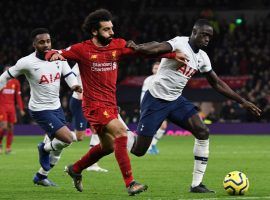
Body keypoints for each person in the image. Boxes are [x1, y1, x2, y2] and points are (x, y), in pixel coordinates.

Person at [46, 9, 187, 195]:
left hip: (110, 104)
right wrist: (52, 56)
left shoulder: (117, 45)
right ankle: (131, 183)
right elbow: (54, 53)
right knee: (121, 133)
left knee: (108, 147)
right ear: (95, 31)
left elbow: (142, 53)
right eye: (106, 29)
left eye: (112, 28)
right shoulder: (82, 49)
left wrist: (170, 56)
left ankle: (76, 169)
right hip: (94, 106)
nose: (112, 33)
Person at [128, 19, 262, 193]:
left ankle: (196, 184)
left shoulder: (202, 57)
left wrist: (242, 101)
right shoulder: (179, 43)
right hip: (155, 99)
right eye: (204, 34)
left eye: (209, 36)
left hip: (176, 100)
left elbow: (217, 83)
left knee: (202, 131)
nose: (207, 39)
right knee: (139, 151)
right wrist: (138, 47)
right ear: (194, 32)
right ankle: (119, 133)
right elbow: (157, 47)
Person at [0, 28, 82, 186]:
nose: (46, 44)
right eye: (41, 42)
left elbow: (68, 74)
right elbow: (4, 77)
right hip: (40, 109)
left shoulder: (58, 57)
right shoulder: (26, 62)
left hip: (56, 107)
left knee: (58, 150)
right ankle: (43, 148)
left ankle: (41, 176)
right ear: (34, 44)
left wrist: (74, 85)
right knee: (67, 138)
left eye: (48, 41)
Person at [69, 63, 108, 172]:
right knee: (80, 137)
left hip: (93, 101)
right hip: (79, 101)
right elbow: (70, 76)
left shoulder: (98, 63)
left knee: (98, 129)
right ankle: (57, 136)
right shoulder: (80, 63)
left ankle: (93, 164)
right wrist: (78, 90)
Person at [140, 61, 167, 155]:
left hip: (161, 107)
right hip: (149, 107)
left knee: (163, 127)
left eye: (158, 68)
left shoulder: (164, 79)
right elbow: (143, 95)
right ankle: (149, 147)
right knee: (152, 128)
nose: (156, 70)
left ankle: (152, 145)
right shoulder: (148, 80)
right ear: (152, 70)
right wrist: (143, 108)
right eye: (155, 68)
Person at [0, 66, 25, 154]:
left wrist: (21, 108)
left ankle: (8, 147)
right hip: (2, 107)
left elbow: (18, 97)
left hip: (11, 108)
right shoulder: (1, 82)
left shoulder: (16, 82)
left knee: (10, 128)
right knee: (3, 127)